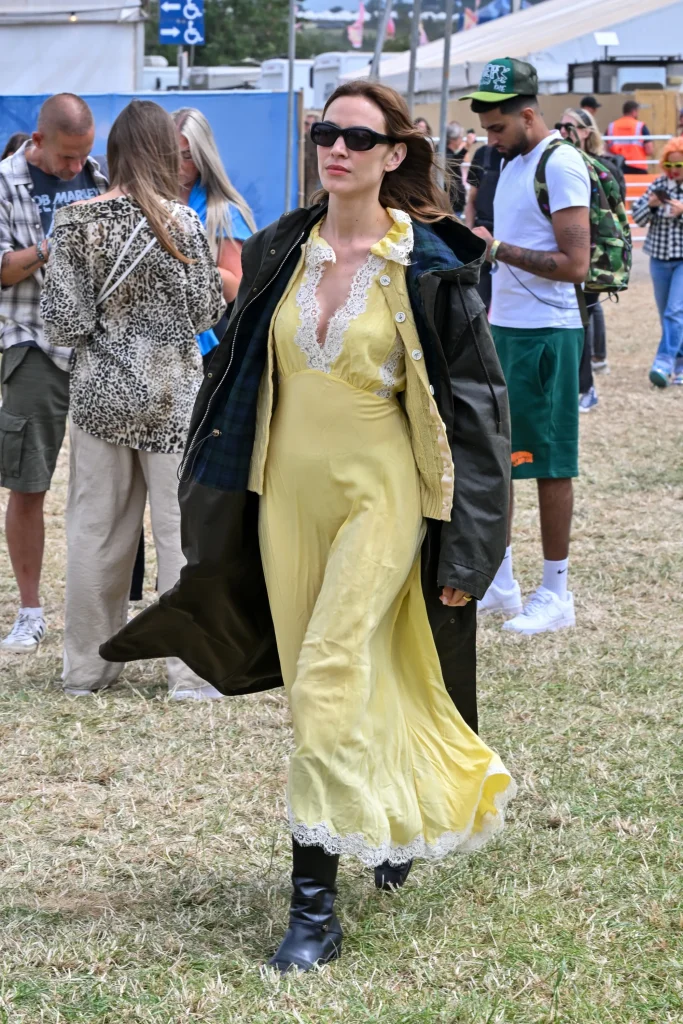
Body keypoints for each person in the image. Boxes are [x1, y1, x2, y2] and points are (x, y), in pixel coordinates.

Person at [101, 79, 516, 972]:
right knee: (326, 685)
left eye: (356, 138)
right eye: (325, 133)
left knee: (330, 670)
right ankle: (379, 812)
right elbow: (239, 374)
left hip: (381, 496)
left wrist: (475, 545)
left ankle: (313, 906)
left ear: (393, 155)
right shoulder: (279, 247)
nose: (335, 148)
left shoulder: (428, 264)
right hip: (284, 503)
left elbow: (477, 409)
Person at [40, 100, 226, 698]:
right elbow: (207, 310)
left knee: (96, 532)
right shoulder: (187, 225)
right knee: (181, 537)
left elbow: (62, 324)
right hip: (174, 395)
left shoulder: (73, 222)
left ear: (113, 150)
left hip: (101, 397)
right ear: (163, 153)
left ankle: (87, 671)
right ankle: (191, 675)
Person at [464, 58, 591, 635]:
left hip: (548, 333)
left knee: (548, 463)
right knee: (501, 457)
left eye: (497, 128)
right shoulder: (511, 162)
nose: (490, 139)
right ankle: (501, 583)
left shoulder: (560, 163)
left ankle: (557, 592)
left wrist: (497, 250)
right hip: (507, 327)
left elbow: (575, 264)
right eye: (486, 128)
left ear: (528, 114)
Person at [0, 94, 107, 654]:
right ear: (38, 141)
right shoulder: (4, 183)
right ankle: (31, 611)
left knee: (104, 488)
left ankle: (102, 609)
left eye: (82, 156)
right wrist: (51, 243)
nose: (75, 167)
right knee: (29, 482)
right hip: (33, 345)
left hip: (94, 347)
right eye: (67, 157)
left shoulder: (97, 174)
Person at [173, 107, 254, 371]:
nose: (177, 165)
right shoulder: (148, 202)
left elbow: (235, 287)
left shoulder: (223, 211)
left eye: (187, 156)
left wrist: (179, 265)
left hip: (206, 349)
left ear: (202, 156)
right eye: (170, 154)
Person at [558, 107, 625, 409]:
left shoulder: (604, 167)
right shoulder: (556, 165)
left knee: (581, 321)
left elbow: (614, 214)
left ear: (586, 131)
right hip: (564, 254)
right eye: (560, 125)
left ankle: (586, 389)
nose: (563, 131)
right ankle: (576, 387)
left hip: (592, 258)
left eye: (570, 126)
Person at [631, 137, 683, 387]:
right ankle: (680, 362)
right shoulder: (658, 185)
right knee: (668, 315)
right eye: (670, 165)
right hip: (659, 260)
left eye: (679, 165)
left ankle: (662, 363)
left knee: (675, 312)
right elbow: (637, 219)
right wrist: (650, 206)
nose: (674, 170)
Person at [465, 142, 504, 307]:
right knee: (478, 302)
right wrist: (468, 234)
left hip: (507, 239)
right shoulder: (483, 154)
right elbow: (471, 200)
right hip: (483, 236)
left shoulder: (521, 157)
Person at [607, 100, 654, 174]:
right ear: (634, 111)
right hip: (637, 167)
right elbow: (649, 150)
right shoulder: (640, 126)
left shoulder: (612, 126)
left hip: (616, 167)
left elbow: (605, 148)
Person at [445, 121, 477, 216]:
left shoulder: (447, 151)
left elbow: (455, 159)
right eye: (460, 137)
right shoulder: (443, 151)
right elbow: (453, 163)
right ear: (453, 139)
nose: (462, 140)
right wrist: (467, 147)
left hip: (454, 203)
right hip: (450, 205)